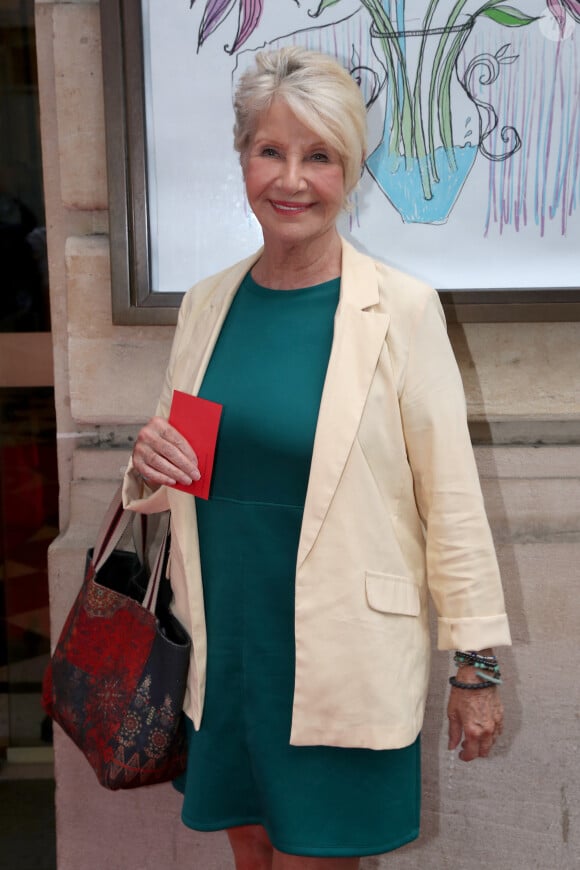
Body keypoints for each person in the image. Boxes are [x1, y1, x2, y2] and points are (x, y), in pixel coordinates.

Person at [124, 46, 511, 870]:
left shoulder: (400, 311)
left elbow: (452, 498)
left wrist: (475, 666)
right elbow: (176, 466)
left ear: (352, 171)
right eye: (271, 151)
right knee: (251, 854)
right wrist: (145, 465)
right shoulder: (208, 302)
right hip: (224, 647)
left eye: (319, 156)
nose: (291, 179)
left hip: (340, 657)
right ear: (243, 159)